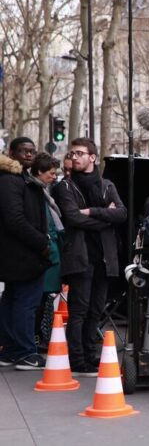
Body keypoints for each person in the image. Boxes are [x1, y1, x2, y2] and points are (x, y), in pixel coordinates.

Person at [54, 138, 126, 376]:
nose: (74, 157)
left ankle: (90, 354)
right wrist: (106, 218)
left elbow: (122, 214)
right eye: (72, 153)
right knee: (79, 310)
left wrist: (93, 212)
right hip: (80, 255)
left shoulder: (107, 185)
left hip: (105, 257)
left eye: (79, 153)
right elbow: (73, 218)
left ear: (92, 157)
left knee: (96, 309)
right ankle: (77, 360)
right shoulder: (64, 187)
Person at [0, 138, 52, 370]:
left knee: (14, 301)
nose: (29, 155)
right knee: (25, 303)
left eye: (32, 151)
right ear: (12, 153)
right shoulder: (11, 180)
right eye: (24, 151)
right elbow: (15, 220)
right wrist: (41, 243)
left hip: (19, 254)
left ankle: (11, 350)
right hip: (22, 254)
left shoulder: (20, 178)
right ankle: (24, 351)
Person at [30, 154, 64, 351]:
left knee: (42, 300)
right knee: (38, 301)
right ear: (39, 172)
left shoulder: (43, 192)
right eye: (51, 173)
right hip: (46, 254)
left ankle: (39, 335)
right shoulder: (37, 193)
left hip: (50, 253)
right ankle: (36, 337)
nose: (54, 177)